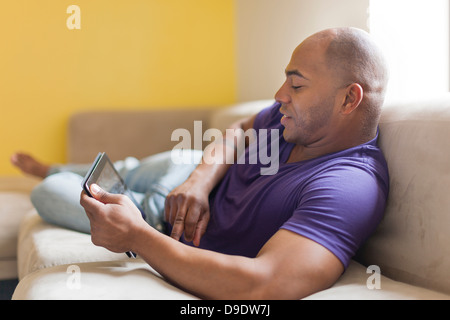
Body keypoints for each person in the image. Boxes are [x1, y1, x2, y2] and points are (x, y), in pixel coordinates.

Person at [11, 27, 389, 299]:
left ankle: (58, 174)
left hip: (161, 219)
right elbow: (241, 128)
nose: (279, 96)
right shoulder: (289, 120)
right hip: (189, 171)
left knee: (50, 194)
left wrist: (138, 235)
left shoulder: (347, 186)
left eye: (297, 85)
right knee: (126, 170)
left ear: (349, 99)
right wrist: (199, 181)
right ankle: (69, 167)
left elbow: (266, 284)